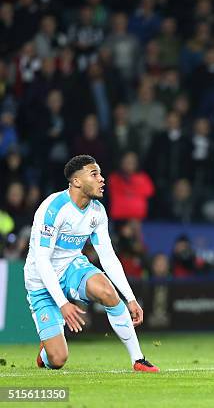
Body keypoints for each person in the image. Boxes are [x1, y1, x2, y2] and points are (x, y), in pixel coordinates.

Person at [24, 155, 158, 372]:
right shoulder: (53, 208)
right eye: (94, 174)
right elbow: (42, 260)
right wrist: (63, 303)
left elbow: (108, 258)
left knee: (107, 291)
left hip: (71, 268)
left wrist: (130, 298)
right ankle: (46, 351)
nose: (102, 179)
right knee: (57, 360)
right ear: (76, 181)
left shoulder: (97, 211)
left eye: (101, 174)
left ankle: (138, 359)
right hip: (40, 279)